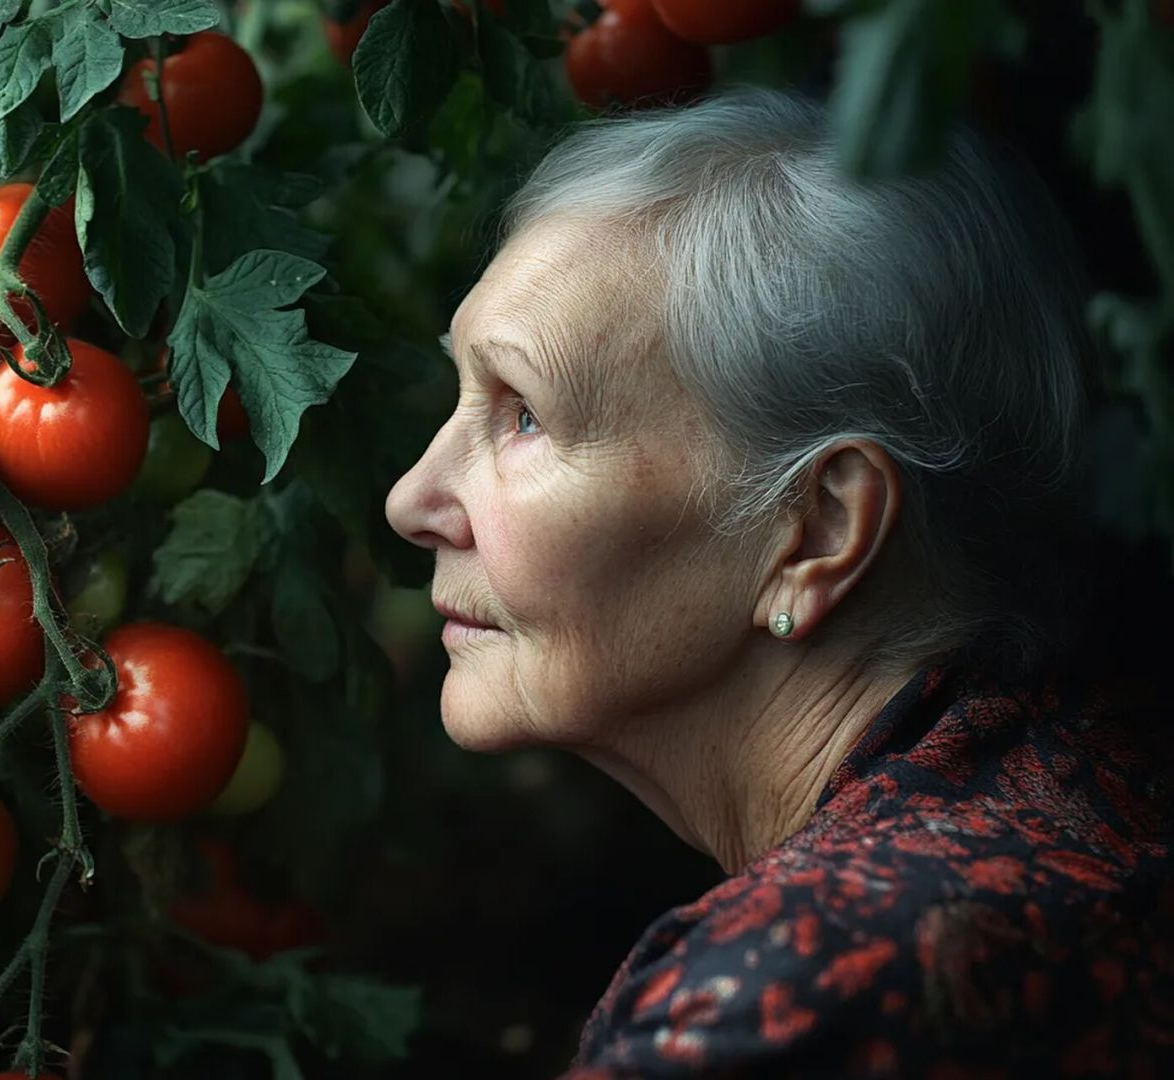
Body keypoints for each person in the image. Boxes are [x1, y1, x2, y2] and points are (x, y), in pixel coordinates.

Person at [384, 87, 1174, 1075]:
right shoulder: (1105, 778)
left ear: (818, 529)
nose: (411, 498)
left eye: (525, 416)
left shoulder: (788, 1000)